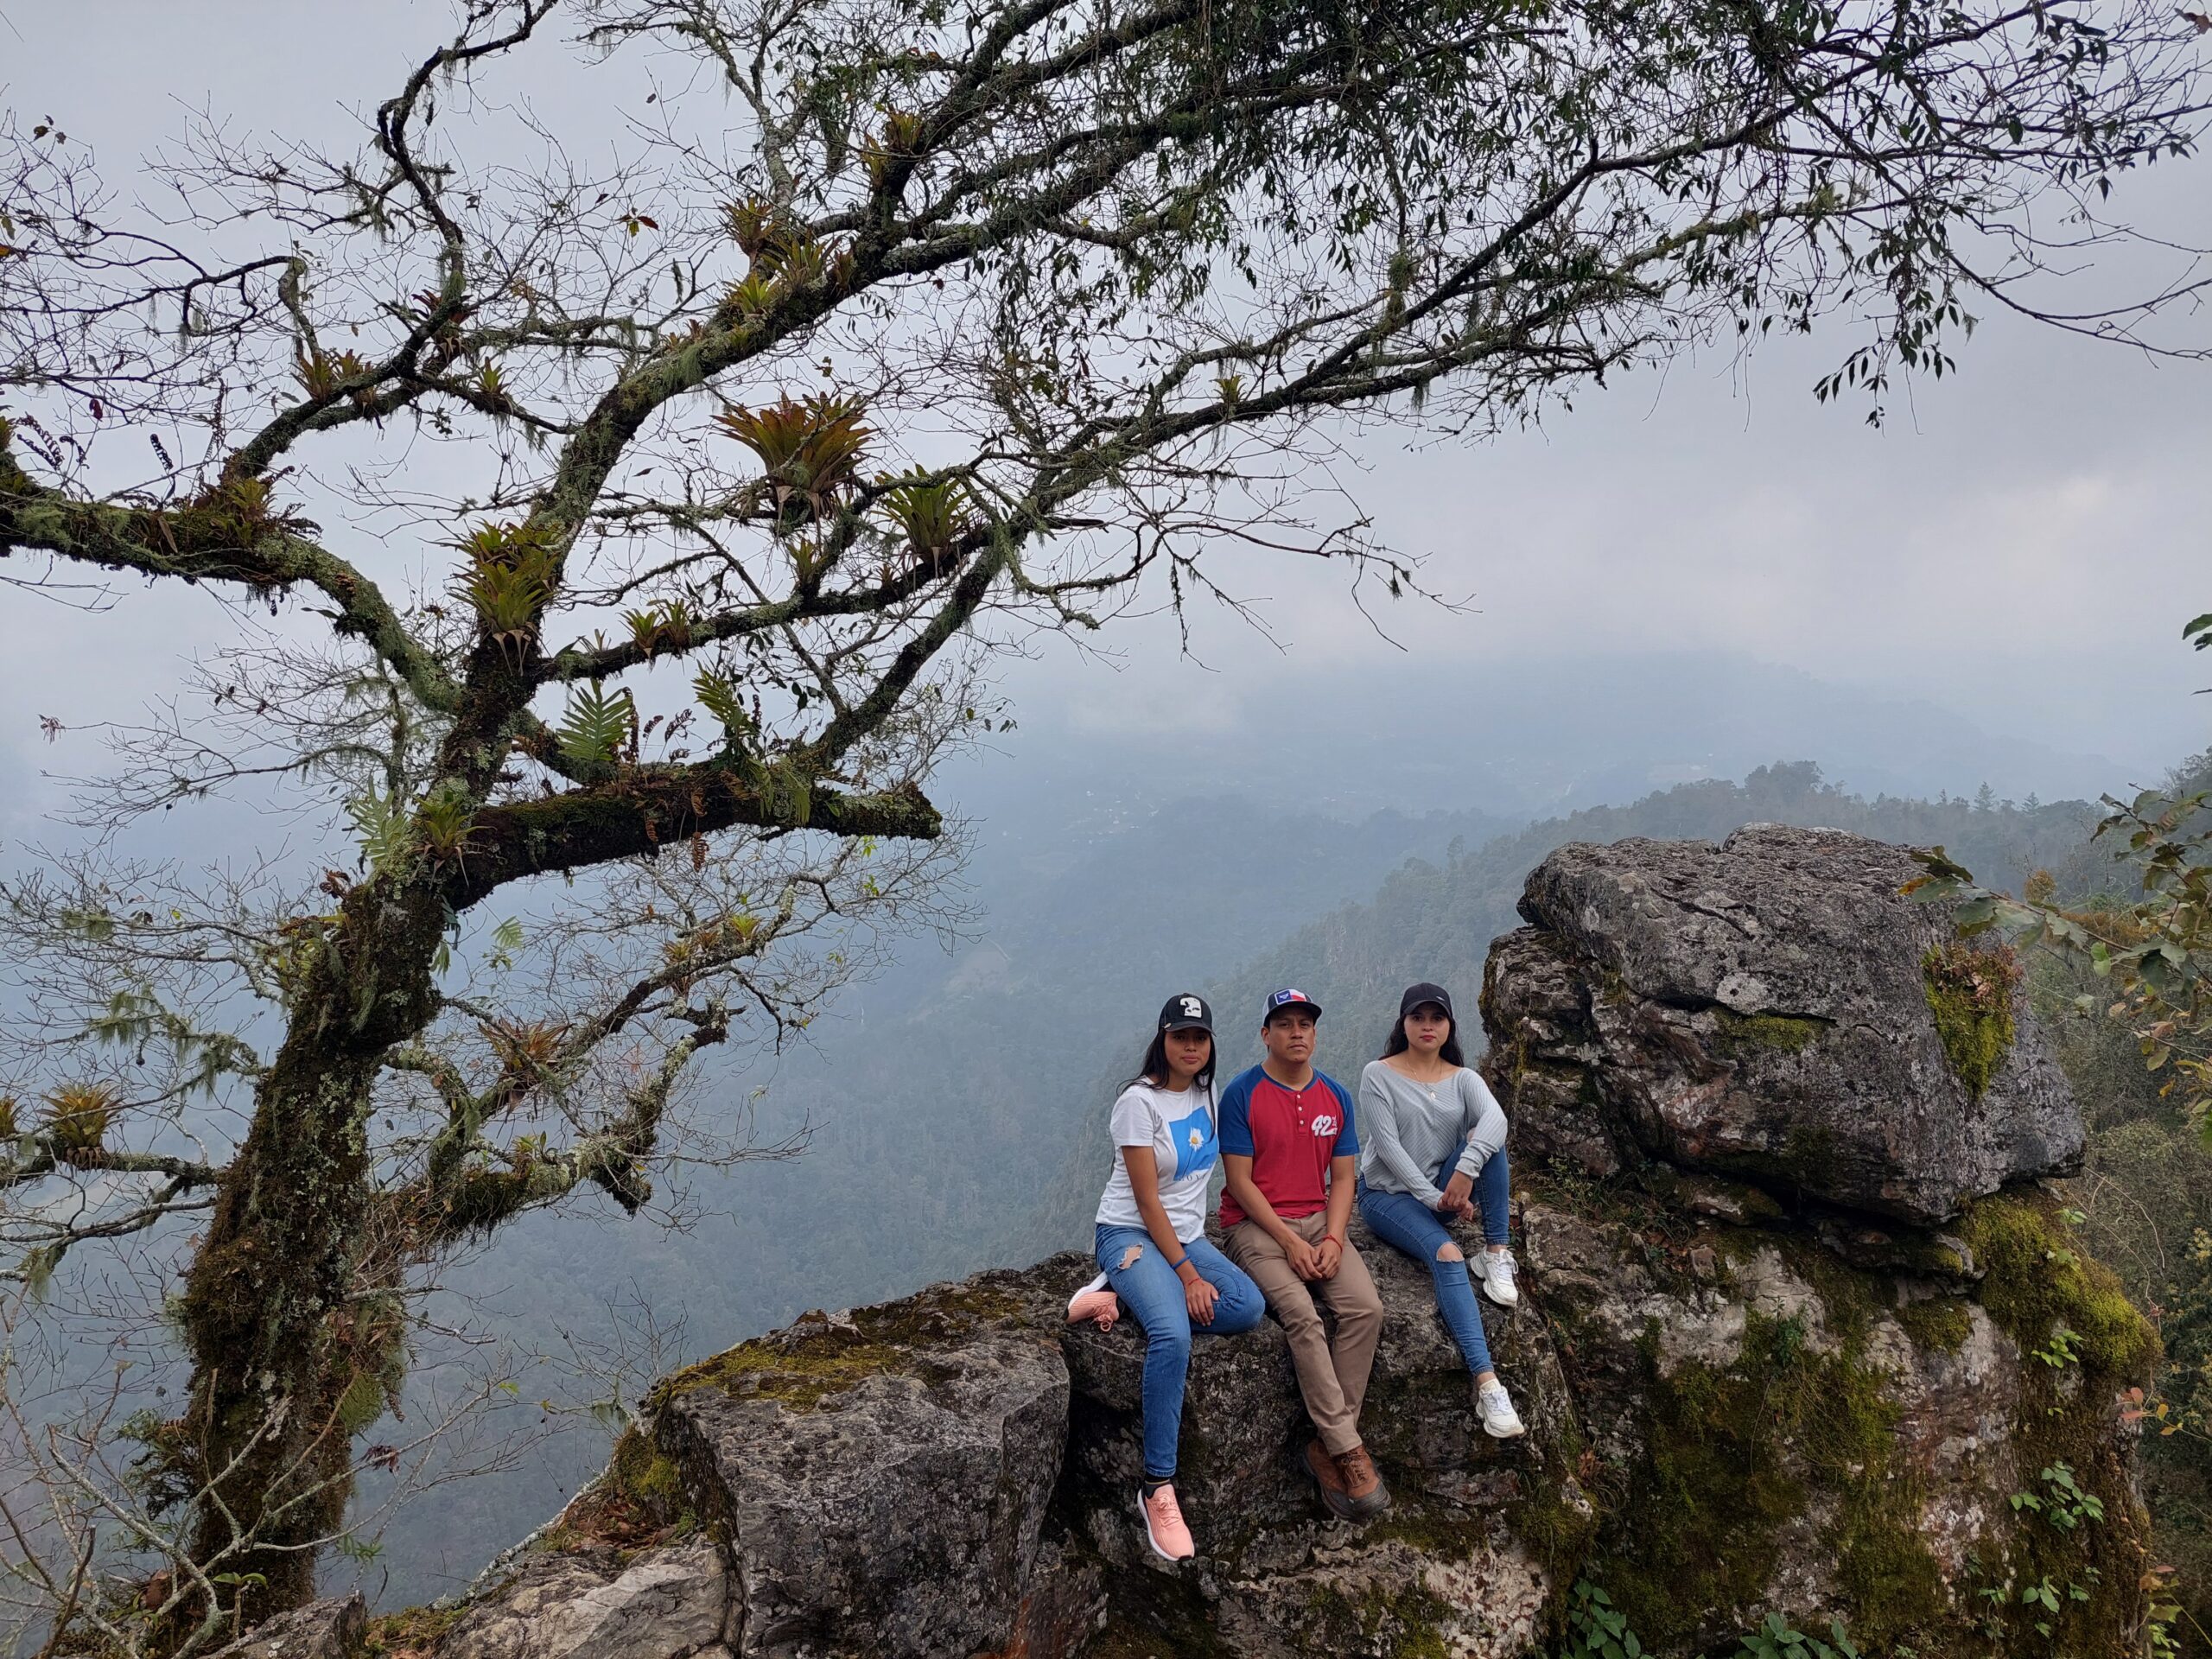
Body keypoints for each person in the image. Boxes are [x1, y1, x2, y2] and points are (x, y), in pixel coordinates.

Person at [1072, 992, 1266, 1562]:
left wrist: (1187, 1263)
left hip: (1188, 1238)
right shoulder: (1138, 1104)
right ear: (1162, 1040)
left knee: (1247, 1306)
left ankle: (1117, 1296)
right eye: (1180, 1036)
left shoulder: (1205, 1092)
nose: (1190, 1046)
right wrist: (1185, 1276)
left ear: (1210, 1045)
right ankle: (1157, 1486)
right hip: (1130, 1235)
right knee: (1173, 1337)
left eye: (1199, 1037)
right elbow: (1146, 1200)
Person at [1218, 988, 1390, 1520]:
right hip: (1255, 1224)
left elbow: (1343, 1178)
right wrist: (1291, 1242)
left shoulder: (1334, 1096)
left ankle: (1327, 1446)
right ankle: (1348, 1450)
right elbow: (1240, 1184)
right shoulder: (1242, 1095)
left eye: (1305, 1024)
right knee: (1302, 1315)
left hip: (1319, 1220)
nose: (1297, 1033)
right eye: (1285, 1024)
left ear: (1315, 1034)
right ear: (1265, 1034)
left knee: (1366, 1308)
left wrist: (1333, 1238)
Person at [1356, 982, 1526, 1440]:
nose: (1427, 1026)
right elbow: (1388, 1150)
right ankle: (1488, 1385)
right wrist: (1436, 1200)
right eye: (1418, 1018)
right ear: (1403, 1024)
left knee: (1489, 1144)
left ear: (1449, 1025)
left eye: (1437, 1018)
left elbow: (1496, 1122)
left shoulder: (1463, 1079)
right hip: (1389, 1196)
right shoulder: (1379, 1074)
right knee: (1447, 1254)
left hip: (1446, 1192)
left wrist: (1465, 1170)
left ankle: (1495, 1252)